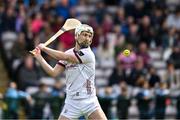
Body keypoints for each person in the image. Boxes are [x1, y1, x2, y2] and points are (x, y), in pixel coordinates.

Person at [32, 24, 107, 120]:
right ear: (76, 36)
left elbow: (66, 57)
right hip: (71, 102)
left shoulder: (88, 54)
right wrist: (39, 56)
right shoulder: (68, 53)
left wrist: (44, 48)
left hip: (89, 101)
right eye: (84, 34)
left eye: (89, 36)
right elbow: (53, 72)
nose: (87, 38)